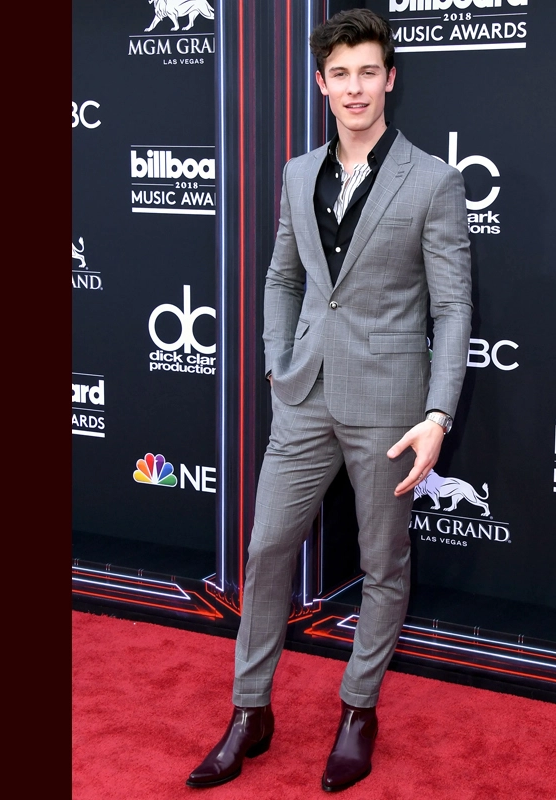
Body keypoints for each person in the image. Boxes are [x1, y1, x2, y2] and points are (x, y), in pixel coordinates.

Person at [186, 8, 472, 792]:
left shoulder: (434, 181)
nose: (354, 88)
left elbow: (452, 310)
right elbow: (283, 276)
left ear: (389, 78)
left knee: (383, 561)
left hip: (390, 406)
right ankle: (250, 711)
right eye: (339, 74)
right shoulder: (295, 173)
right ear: (321, 83)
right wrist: (277, 361)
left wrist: (437, 415)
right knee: (265, 550)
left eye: (367, 72)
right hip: (304, 395)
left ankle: (358, 710)